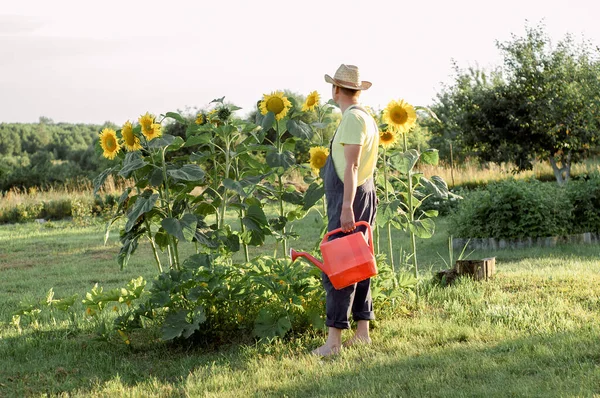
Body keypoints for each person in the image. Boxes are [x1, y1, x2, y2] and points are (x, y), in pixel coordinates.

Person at [313, 64, 379, 356]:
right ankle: (362, 332)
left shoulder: (352, 119)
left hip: (350, 196)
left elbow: (351, 165)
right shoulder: (365, 117)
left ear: (336, 90)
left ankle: (333, 342)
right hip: (364, 191)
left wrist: (346, 206)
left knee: (340, 267)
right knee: (360, 263)